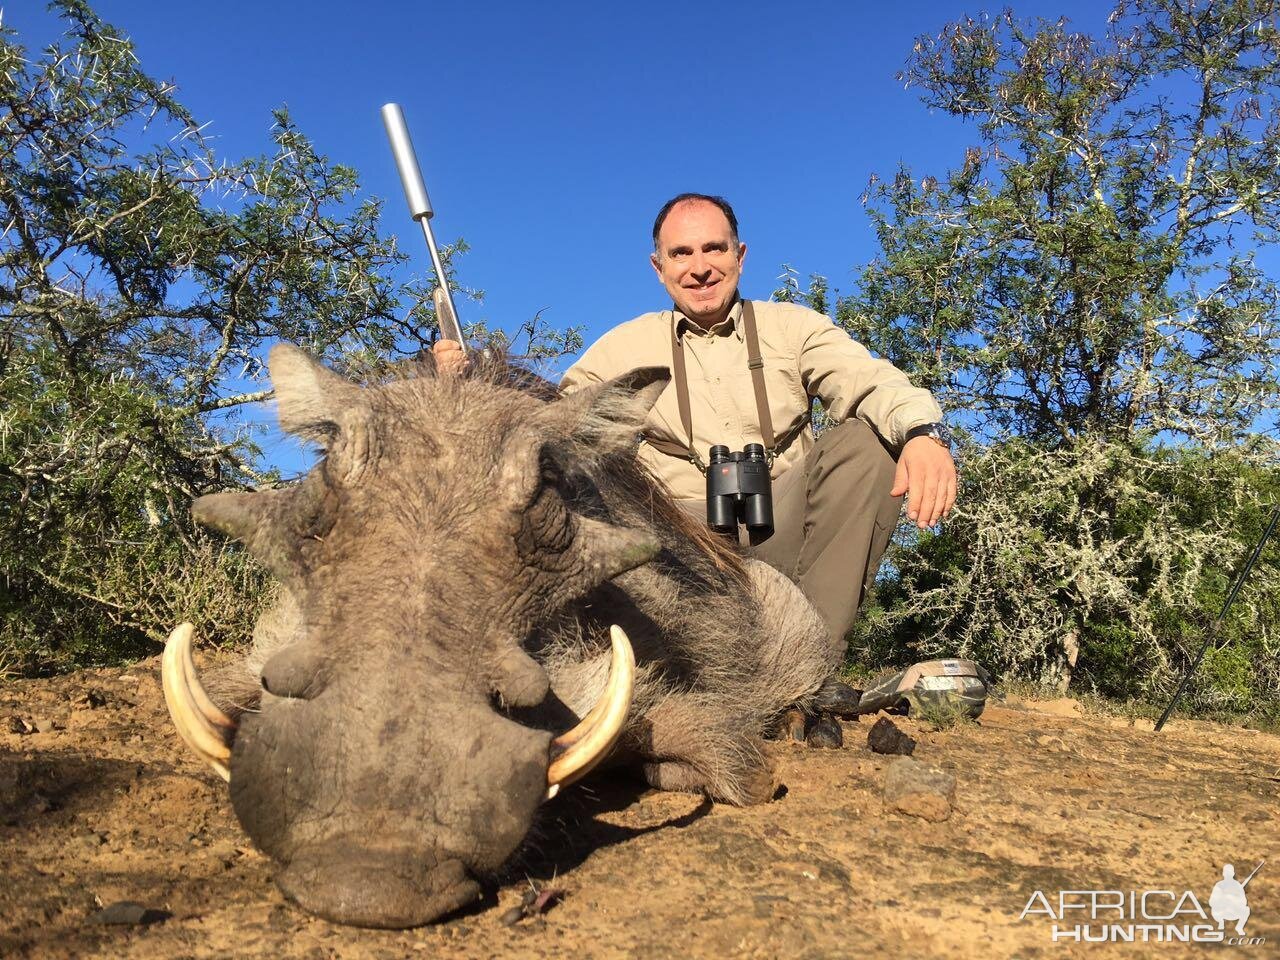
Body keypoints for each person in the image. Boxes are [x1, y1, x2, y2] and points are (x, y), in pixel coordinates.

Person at [433, 193, 956, 661]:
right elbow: (553, 418)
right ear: (658, 268)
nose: (700, 268)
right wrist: (473, 381)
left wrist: (922, 433)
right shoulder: (624, 344)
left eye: (714, 249)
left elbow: (870, 380)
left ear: (740, 256)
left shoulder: (793, 326)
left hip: (786, 529)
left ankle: (814, 663)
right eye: (681, 254)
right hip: (680, 546)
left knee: (870, 444)